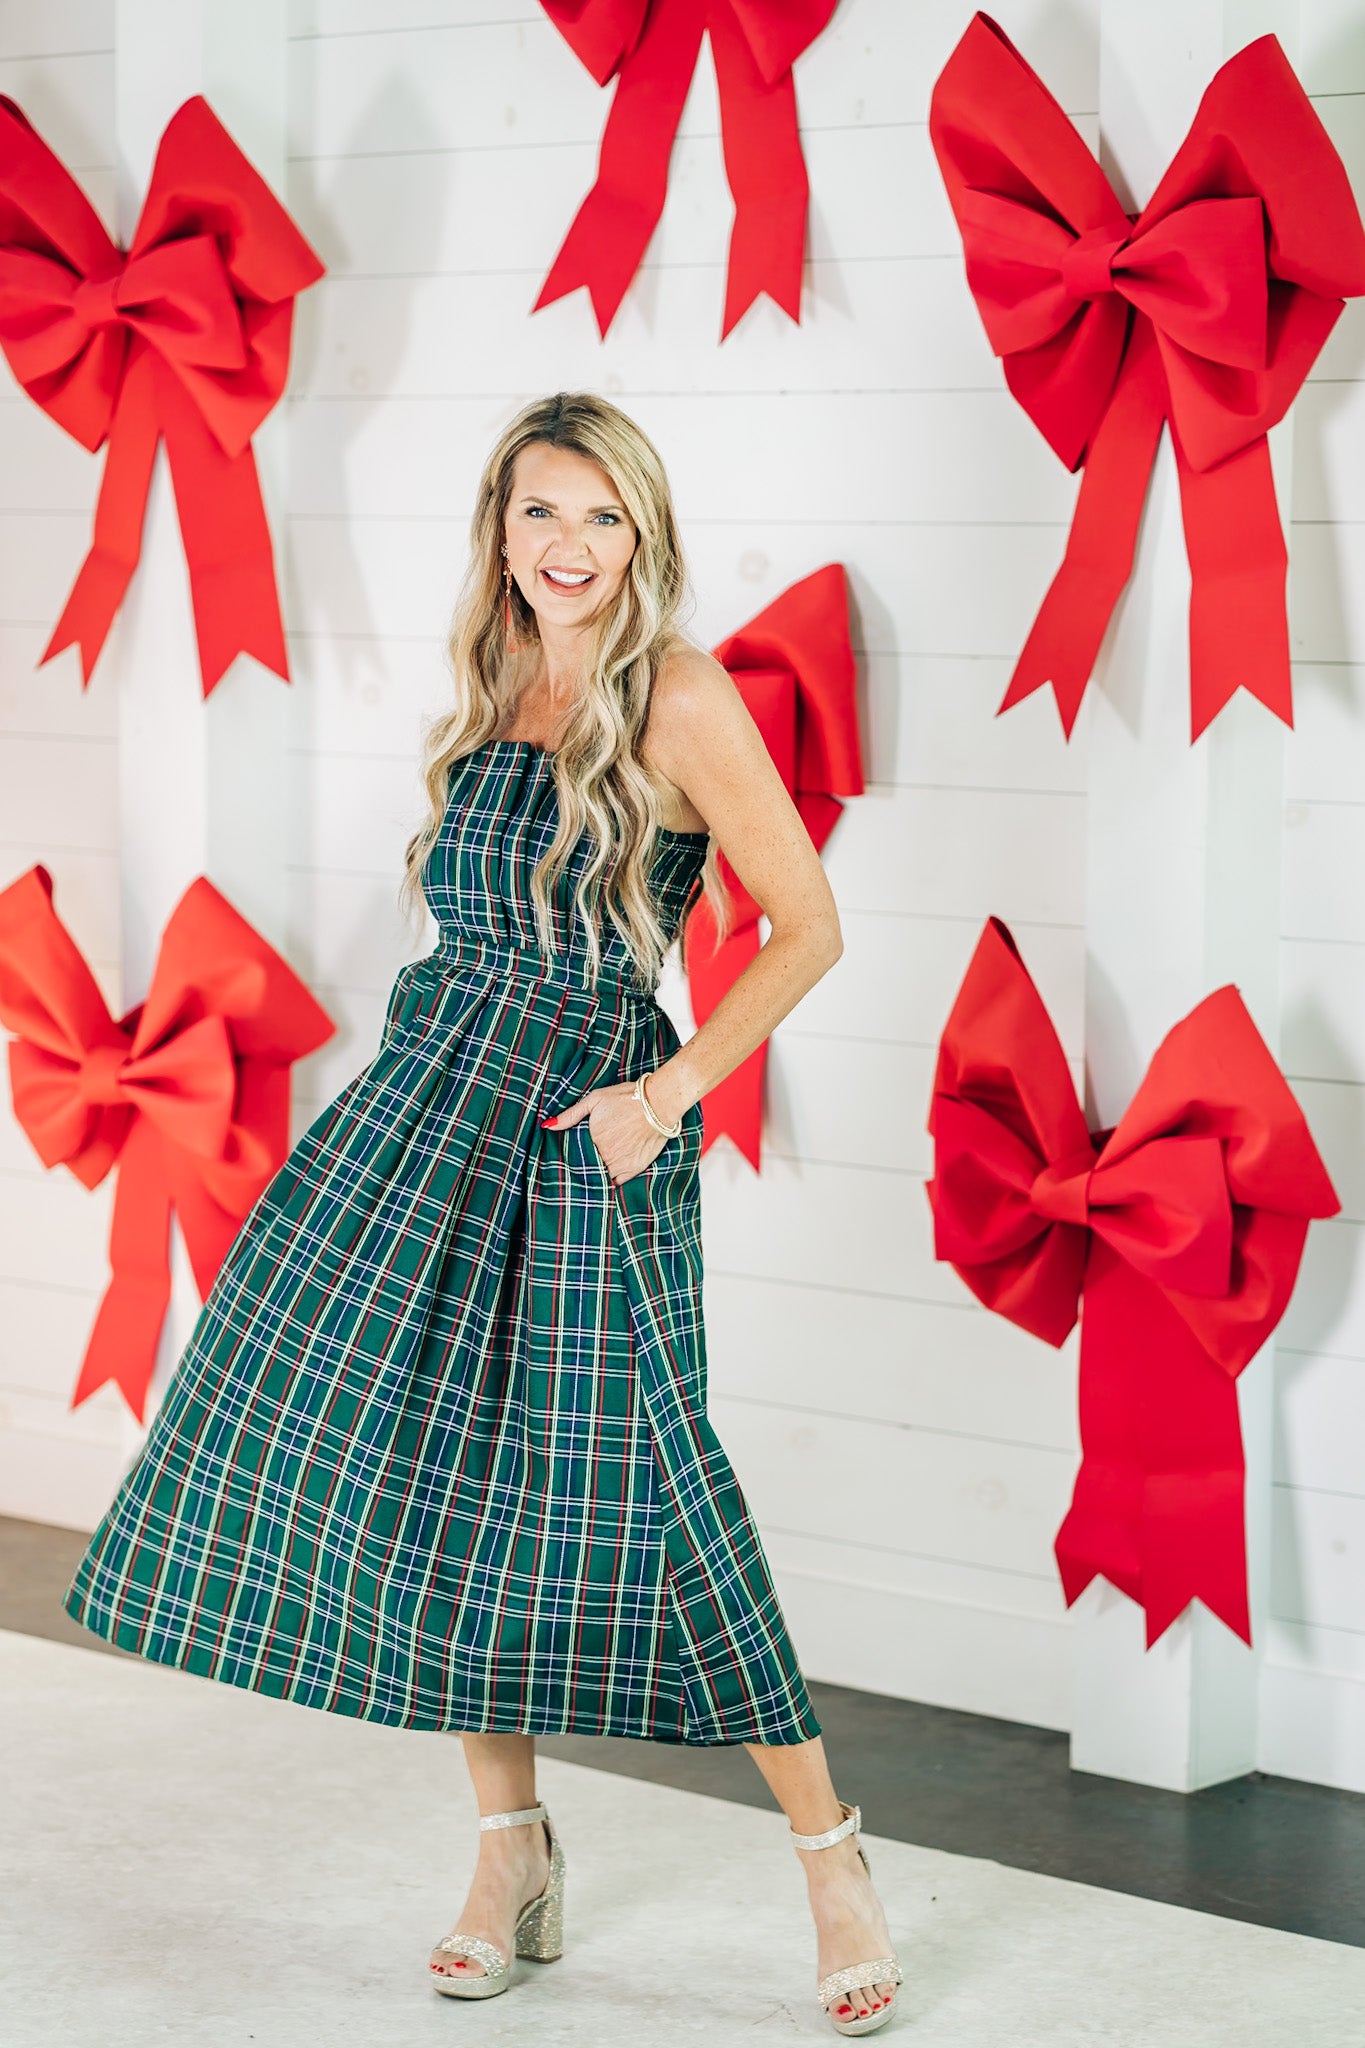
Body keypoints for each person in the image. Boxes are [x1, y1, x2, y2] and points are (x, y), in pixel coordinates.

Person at [62, 392, 903, 2038]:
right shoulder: (494, 682)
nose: (566, 546)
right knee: (432, 1480)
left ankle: (830, 1858)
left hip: (588, 1130)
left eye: (597, 516)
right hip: (422, 1108)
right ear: (498, 529)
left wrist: (660, 1104)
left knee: (662, 1486)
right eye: (538, 513)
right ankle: (508, 1852)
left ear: (639, 532)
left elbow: (806, 926)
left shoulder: (676, 691)